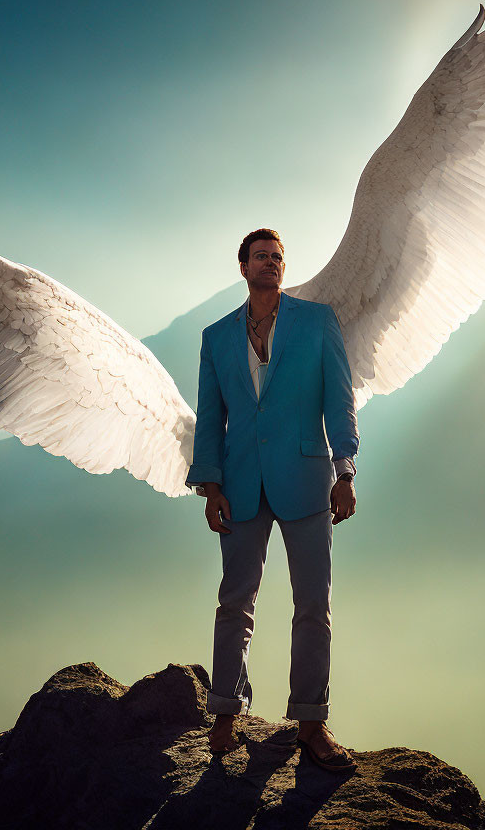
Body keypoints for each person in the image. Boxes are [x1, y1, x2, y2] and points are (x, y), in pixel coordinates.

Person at [186, 228, 359, 771]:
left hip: (307, 479)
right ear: (243, 267)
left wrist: (345, 470)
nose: (271, 264)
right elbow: (211, 417)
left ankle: (311, 723)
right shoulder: (215, 338)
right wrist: (210, 485)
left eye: (278, 258)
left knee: (313, 604)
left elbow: (339, 399)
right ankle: (224, 716)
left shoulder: (317, 322)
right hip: (239, 484)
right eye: (261, 257)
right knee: (234, 602)